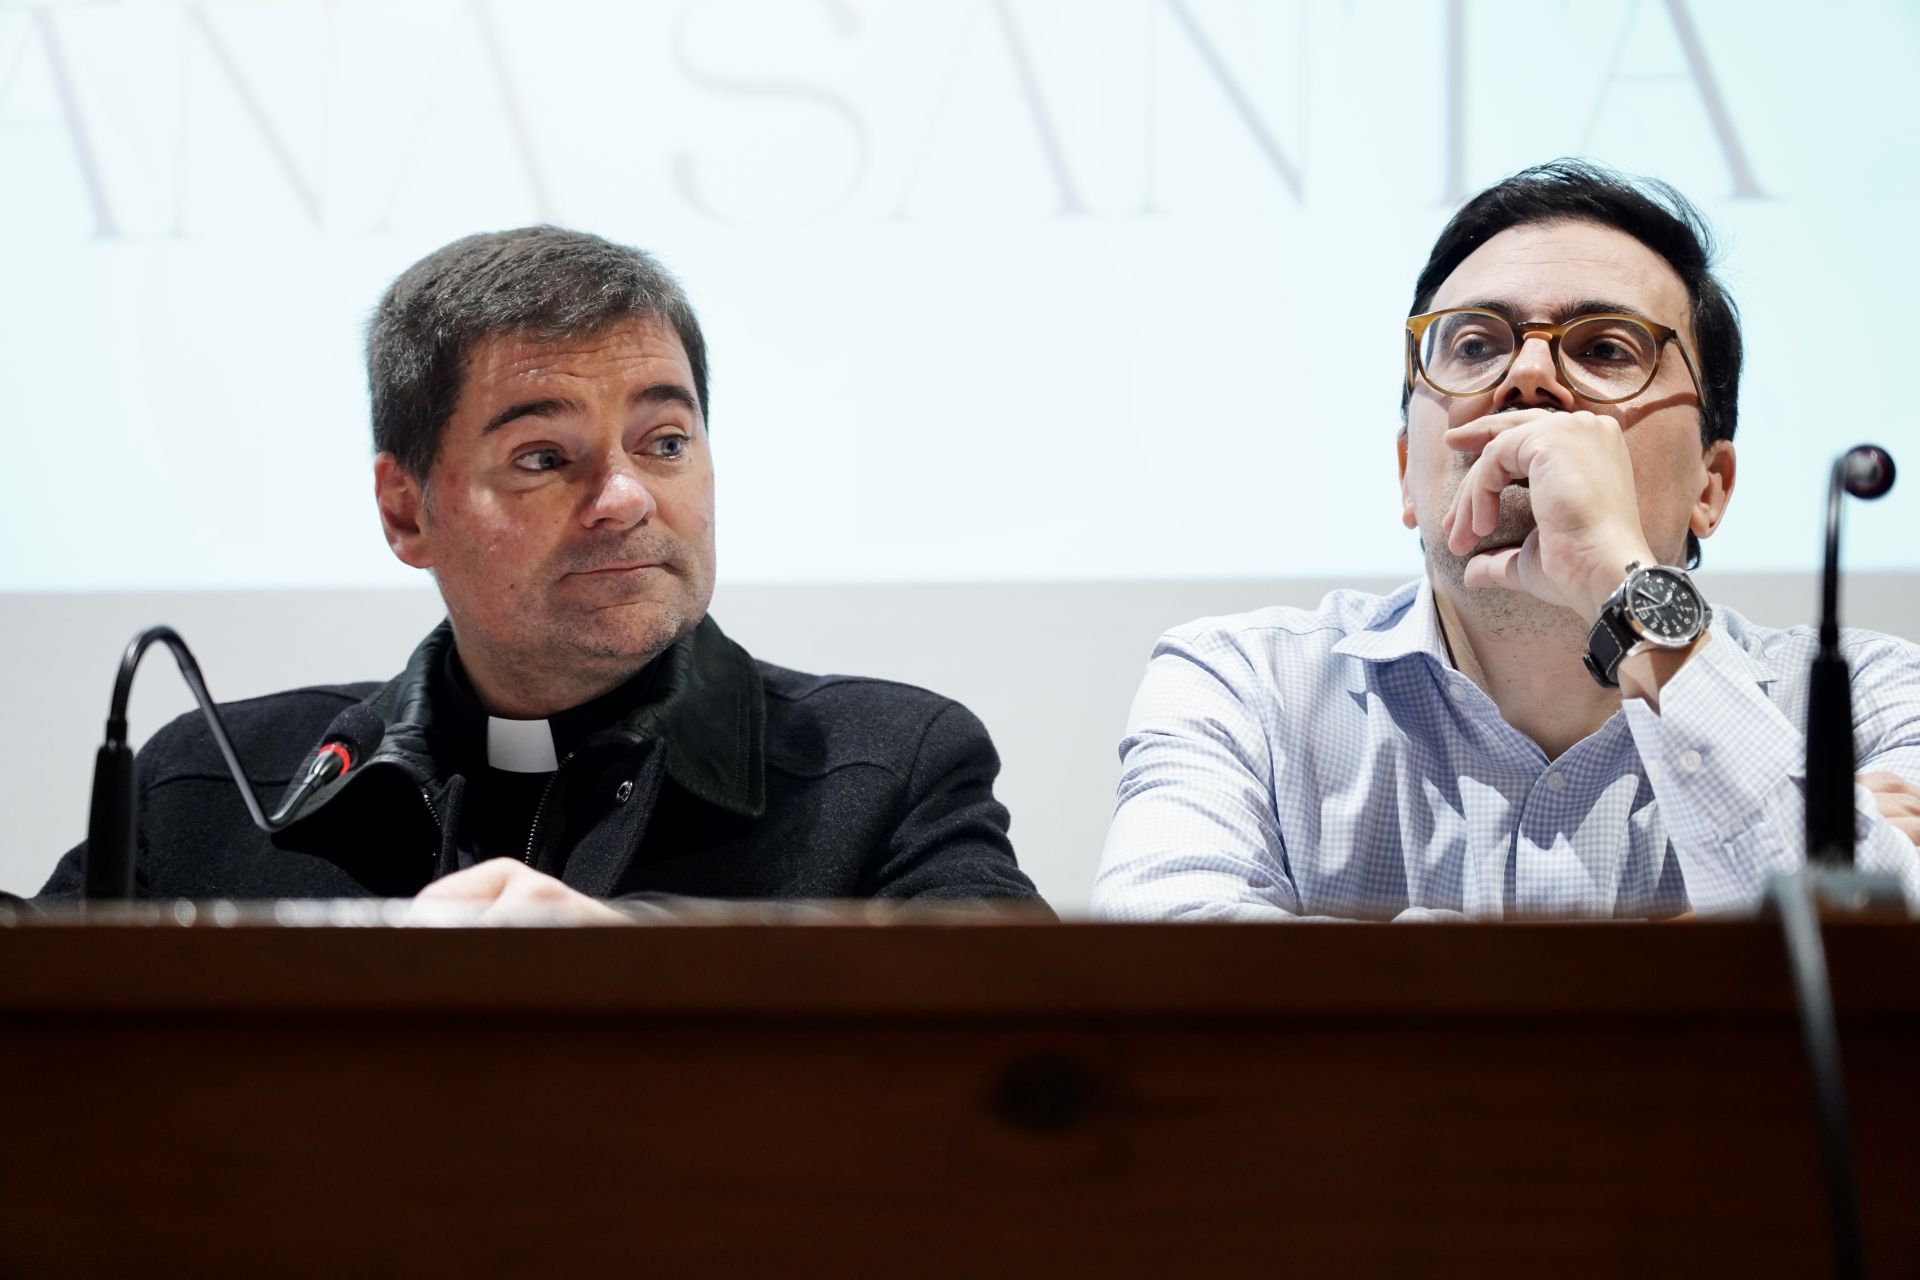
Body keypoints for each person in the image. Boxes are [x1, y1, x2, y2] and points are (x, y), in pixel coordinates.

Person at [38, 227, 1046, 919]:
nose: (625, 499)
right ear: (406, 508)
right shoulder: (205, 785)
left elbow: (1020, 1049)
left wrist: (639, 966)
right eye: (544, 459)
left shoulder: (884, 768)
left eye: (662, 441)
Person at [1093, 159, 1920, 921]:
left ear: (1712, 485)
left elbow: (1882, 981)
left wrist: (1621, 582)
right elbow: (1168, 1002)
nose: (1527, 379)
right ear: (1408, 470)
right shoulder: (1247, 690)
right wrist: (1711, 944)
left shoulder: (1873, 702)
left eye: (1604, 349)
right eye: (1476, 345)